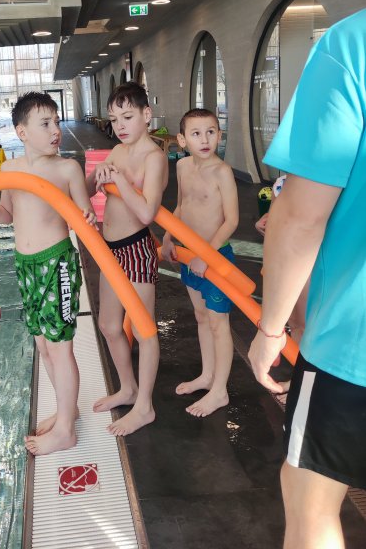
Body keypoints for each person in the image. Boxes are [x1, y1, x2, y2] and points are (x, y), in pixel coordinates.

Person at [248, 7, 366, 549]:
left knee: (309, 501)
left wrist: (271, 329)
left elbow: (299, 217)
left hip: (352, 344)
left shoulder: (351, 46)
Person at [0, 92, 97, 456]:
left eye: (56, 122)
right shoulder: (10, 171)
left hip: (56, 263)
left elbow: (84, 216)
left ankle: (66, 431)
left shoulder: (67, 169)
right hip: (25, 265)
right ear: (22, 132)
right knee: (44, 346)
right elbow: (7, 215)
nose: (55, 130)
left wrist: (89, 216)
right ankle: (67, 411)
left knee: (60, 349)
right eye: (45, 124)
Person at [86, 81, 168, 436]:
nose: (120, 125)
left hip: (135, 248)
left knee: (144, 329)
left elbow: (147, 212)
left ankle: (145, 406)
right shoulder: (118, 151)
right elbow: (88, 189)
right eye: (114, 118)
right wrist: (98, 175)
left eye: (128, 116)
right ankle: (128, 388)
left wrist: (119, 180)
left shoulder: (154, 158)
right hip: (110, 249)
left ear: (146, 115)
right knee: (109, 325)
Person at [161, 108, 239, 417]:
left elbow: (231, 221)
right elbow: (181, 206)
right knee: (201, 316)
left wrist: (206, 256)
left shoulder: (223, 172)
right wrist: (168, 236)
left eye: (210, 132)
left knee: (219, 323)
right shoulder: (182, 167)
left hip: (214, 258)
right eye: (196, 134)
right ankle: (207, 376)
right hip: (189, 256)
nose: (204, 140)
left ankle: (220, 391)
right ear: (182, 140)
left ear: (219, 135)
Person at [255, 175, 308, 346]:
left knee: (307, 323)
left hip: (309, 260)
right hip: (283, 259)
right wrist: (265, 224)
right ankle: (296, 360)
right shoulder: (281, 184)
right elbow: (273, 217)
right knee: (293, 322)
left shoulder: (324, 184)